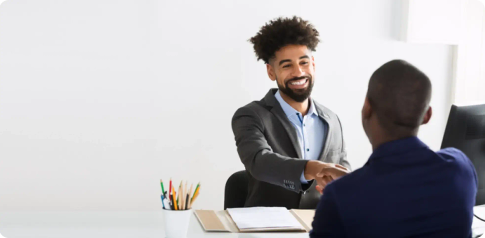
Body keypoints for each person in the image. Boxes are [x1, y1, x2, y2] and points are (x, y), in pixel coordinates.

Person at [310, 60, 478, 237]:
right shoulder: (460, 168)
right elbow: (405, 191)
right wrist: (351, 183)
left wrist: (349, 186)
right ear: (427, 115)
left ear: (367, 108)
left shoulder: (340, 198)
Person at [231, 16, 350, 209]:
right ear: (271, 72)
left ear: (313, 64)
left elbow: (343, 174)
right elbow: (259, 162)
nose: (298, 72)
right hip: (267, 228)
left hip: (319, 225)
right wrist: (314, 168)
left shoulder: (332, 119)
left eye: (303, 63)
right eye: (287, 65)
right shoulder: (250, 116)